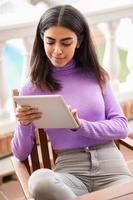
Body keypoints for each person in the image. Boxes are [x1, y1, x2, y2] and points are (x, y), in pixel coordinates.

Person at [11, 4, 133, 200]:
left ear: (79, 41)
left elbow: (121, 128)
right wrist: (24, 124)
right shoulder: (33, 86)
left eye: (66, 42)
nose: (57, 50)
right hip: (69, 173)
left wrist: (80, 126)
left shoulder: (97, 76)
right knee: (39, 181)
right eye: (50, 41)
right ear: (42, 39)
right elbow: (20, 154)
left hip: (112, 167)